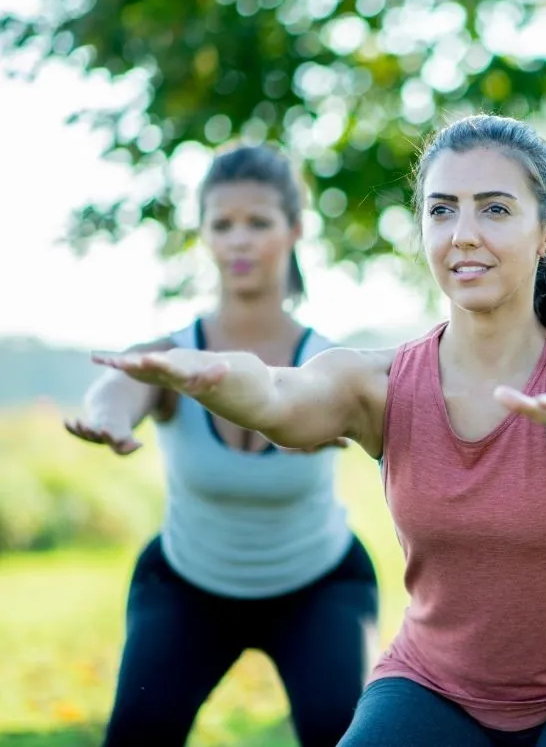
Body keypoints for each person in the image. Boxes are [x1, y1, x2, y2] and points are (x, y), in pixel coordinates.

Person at [90, 114, 546, 746]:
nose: (463, 235)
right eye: (442, 210)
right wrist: (209, 376)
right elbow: (279, 393)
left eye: (494, 210)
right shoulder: (381, 384)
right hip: (435, 687)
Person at [63, 144, 379, 747]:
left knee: (345, 735)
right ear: (204, 235)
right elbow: (125, 382)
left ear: (294, 229)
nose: (239, 241)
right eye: (222, 225)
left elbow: (361, 417)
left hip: (320, 585)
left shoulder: (329, 361)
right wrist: (107, 417)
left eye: (257, 223)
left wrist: (330, 427)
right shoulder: (176, 355)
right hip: (187, 583)